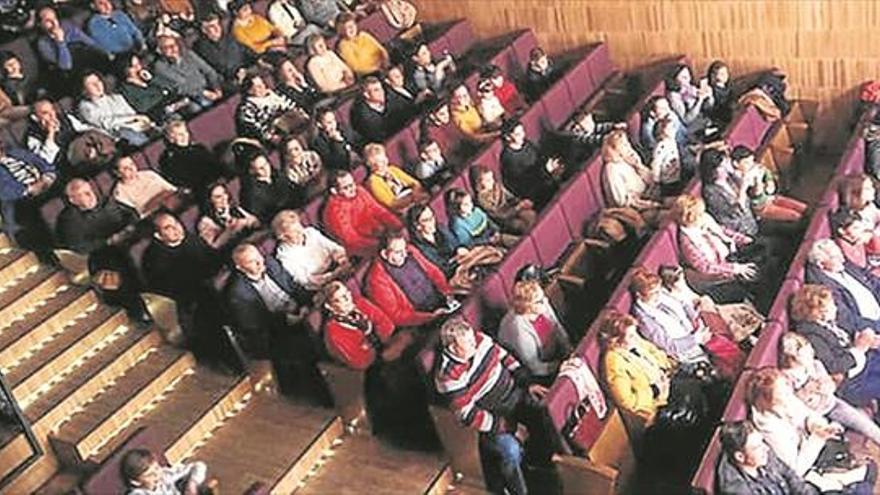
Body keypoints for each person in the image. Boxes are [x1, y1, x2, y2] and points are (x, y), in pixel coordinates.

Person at [434, 317, 564, 495]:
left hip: (514, 393)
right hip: (492, 415)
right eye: (468, 344)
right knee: (510, 451)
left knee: (545, 411)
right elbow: (468, 416)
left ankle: (550, 472)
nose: (474, 344)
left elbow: (505, 358)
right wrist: (511, 428)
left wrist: (527, 383)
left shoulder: (480, 340)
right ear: (453, 348)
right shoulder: (448, 377)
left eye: (473, 339)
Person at [746, 367, 875, 487]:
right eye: (782, 394)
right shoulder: (768, 428)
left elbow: (809, 415)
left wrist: (815, 425)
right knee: (869, 474)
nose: (788, 394)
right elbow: (796, 468)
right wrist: (817, 438)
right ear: (768, 401)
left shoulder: (786, 398)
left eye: (787, 387)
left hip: (817, 445)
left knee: (869, 468)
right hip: (809, 466)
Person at [225, 243, 321, 396]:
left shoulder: (270, 262)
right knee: (303, 348)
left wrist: (305, 303)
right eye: (251, 261)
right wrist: (286, 319)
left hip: (298, 309)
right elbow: (254, 324)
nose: (259, 263)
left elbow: (292, 286)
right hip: (276, 328)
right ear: (240, 267)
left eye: (259, 257)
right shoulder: (238, 294)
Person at [56, 179, 150, 323]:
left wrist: (130, 227)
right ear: (73, 200)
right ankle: (136, 312)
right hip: (102, 254)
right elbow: (78, 247)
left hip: (127, 241)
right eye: (83, 194)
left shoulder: (107, 201)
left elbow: (131, 213)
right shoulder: (68, 219)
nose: (90, 196)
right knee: (117, 273)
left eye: (89, 191)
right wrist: (108, 241)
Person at [629, 267, 744, 379]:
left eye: (659, 290)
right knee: (718, 371)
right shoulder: (645, 320)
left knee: (729, 349)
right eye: (654, 293)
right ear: (639, 295)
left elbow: (684, 305)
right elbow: (670, 346)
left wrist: (696, 320)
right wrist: (696, 339)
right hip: (686, 353)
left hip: (696, 330)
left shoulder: (660, 294)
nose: (659, 295)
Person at [778, 332, 880, 445]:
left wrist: (821, 386)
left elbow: (830, 386)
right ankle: (839, 426)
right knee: (834, 431)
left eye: (809, 348)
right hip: (814, 416)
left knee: (867, 426)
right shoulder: (787, 378)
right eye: (804, 351)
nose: (810, 352)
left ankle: (842, 424)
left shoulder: (816, 364)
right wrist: (806, 390)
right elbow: (797, 404)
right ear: (793, 357)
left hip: (833, 404)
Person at [790, 284, 880, 408]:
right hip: (852, 383)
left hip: (865, 361)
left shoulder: (830, 321)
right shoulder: (811, 335)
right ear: (820, 312)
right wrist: (859, 348)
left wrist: (865, 336)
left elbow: (853, 327)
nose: (836, 307)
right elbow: (833, 367)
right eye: (832, 305)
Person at [142, 212, 222, 346]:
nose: (177, 229)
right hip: (188, 305)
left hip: (210, 288)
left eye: (176, 223)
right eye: (168, 227)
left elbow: (213, 260)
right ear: (158, 235)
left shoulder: (191, 239)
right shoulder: (154, 259)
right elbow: (172, 291)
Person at [673, 194, 758, 304]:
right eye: (699, 214)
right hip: (714, 278)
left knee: (764, 252)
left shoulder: (704, 220)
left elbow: (723, 231)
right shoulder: (687, 242)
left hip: (731, 257)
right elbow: (706, 267)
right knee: (754, 278)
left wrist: (743, 240)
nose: (703, 215)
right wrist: (734, 268)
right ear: (690, 218)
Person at [364, 230, 452, 327]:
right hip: (422, 319)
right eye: (398, 252)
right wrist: (431, 316)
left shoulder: (410, 251)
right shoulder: (376, 279)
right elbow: (397, 315)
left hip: (442, 298)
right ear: (384, 254)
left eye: (404, 249)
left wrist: (447, 293)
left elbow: (434, 272)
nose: (404, 254)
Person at [406, 203, 503, 292]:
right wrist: (457, 259)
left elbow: (455, 245)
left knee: (490, 255)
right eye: (427, 220)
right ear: (417, 226)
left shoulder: (440, 228)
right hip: (453, 273)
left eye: (432, 216)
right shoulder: (418, 248)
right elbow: (442, 268)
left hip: (463, 261)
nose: (433, 221)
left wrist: (460, 250)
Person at [499, 278, 572, 383]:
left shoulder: (541, 306)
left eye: (543, 296)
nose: (546, 301)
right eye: (540, 301)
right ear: (527, 306)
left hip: (556, 355)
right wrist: (561, 365)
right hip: (542, 371)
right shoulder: (518, 329)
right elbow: (535, 367)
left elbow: (557, 327)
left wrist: (568, 350)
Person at [716, 421, 818, 495]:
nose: (766, 448)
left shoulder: (763, 456)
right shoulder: (737, 490)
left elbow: (790, 476)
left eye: (762, 442)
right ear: (740, 457)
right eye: (757, 447)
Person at [322, 280, 404, 370]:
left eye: (347, 292)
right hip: (374, 367)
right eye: (341, 298)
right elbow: (361, 362)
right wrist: (374, 335)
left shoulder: (360, 302)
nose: (348, 298)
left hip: (387, 344)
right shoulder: (334, 332)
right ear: (330, 306)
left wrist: (369, 342)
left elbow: (388, 324)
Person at [805, 239, 880, 332]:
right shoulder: (824, 288)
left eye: (840, 254)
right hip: (870, 328)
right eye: (835, 257)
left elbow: (872, 280)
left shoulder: (844, 265)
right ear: (821, 264)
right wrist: (877, 326)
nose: (842, 259)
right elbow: (847, 320)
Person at [322, 169, 402, 256]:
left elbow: (378, 209)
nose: (353, 189)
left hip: (379, 235)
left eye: (352, 184)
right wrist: (382, 244)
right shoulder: (334, 210)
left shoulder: (359, 190)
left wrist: (397, 226)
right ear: (334, 191)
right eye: (346, 187)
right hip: (361, 250)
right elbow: (351, 239)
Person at [36, 6, 111, 95]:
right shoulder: (42, 43)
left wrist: (106, 53)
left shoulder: (67, 25)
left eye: (55, 18)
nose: (54, 22)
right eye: (48, 20)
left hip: (88, 62)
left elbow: (90, 43)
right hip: (72, 75)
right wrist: (60, 42)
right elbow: (66, 66)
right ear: (40, 24)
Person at [272, 209, 349, 290]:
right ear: (283, 237)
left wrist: (339, 255)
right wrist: (327, 277)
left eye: (300, 227)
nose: (301, 233)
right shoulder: (284, 254)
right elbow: (301, 278)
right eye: (295, 232)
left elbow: (331, 246)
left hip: (334, 265)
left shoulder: (311, 232)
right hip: (318, 282)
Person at [731, 145, 807, 224]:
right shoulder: (739, 180)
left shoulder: (754, 167)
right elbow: (756, 195)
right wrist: (758, 181)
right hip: (762, 207)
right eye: (747, 163)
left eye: (752, 161)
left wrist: (769, 181)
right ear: (736, 164)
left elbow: (766, 172)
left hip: (772, 198)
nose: (751, 165)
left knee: (804, 208)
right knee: (796, 216)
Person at [78, 71, 154, 146]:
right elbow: (106, 123)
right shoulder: (85, 106)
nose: (97, 85)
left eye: (98, 81)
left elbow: (132, 113)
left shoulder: (117, 98)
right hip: (117, 139)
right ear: (84, 90)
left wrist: (140, 120)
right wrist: (134, 118)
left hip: (136, 129)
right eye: (91, 84)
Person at [500, 119, 564, 208]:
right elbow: (524, 182)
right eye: (518, 134)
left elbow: (540, 156)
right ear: (508, 137)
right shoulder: (509, 158)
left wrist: (551, 164)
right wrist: (546, 170)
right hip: (534, 192)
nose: (522, 135)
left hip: (544, 178)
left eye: (522, 131)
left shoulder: (526, 143)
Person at [0, 141, 56, 243]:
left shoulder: (15, 152)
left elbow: (39, 161)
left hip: (47, 184)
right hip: (23, 199)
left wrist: (48, 176)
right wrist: (29, 189)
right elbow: (4, 192)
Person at [25, 99, 98, 175]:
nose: (52, 115)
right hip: (65, 168)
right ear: (35, 118)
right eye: (45, 113)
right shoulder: (33, 136)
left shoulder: (65, 118)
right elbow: (45, 160)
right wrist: (50, 134)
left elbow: (84, 128)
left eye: (52, 110)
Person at [118, 53, 196, 124]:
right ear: (126, 70)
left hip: (176, 102)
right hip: (161, 113)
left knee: (195, 106)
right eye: (134, 66)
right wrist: (162, 93)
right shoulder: (126, 89)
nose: (138, 68)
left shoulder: (148, 74)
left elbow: (172, 87)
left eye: (138, 64)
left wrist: (152, 79)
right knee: (178, 119)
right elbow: (142, 106)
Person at [700, 148, 760, 237]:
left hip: (753, 223)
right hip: (742, 233)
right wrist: (743, 187)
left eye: (725, 164)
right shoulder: (710, 191)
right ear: (711, 170)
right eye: (721, 167)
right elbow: (737, 211)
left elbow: (754, 195)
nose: (725, 169)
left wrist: (755, 179)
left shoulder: (729, 178)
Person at [154, 35, 224, 111]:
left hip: (209, 86)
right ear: (160, 51)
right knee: (206, 103)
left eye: (173, 45)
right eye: (167, 47)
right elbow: (182, 85)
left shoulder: (188, 55)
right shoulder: (160, 66)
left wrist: (216, 87)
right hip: (191, 95)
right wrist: (204, 93)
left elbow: (209, 71)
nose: (172, 48)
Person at [601, 128, 663, 214]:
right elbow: (622, 202)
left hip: (650, 196)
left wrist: (639, 166)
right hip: (637, 211)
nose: (629, 147)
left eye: (628, 143)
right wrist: (650, 204)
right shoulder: (612, 169)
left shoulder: (628, 159)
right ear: (616, 150)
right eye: (625, 145)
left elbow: (652, 179)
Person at [158, 120, 225, 198]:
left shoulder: (198, 148)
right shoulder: (168, 159)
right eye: (180, 135)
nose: (185, 136)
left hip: (217, 184)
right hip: (199, 192)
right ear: (171, 139)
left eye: (186, 132)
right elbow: (179, 182)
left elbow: (215, 165)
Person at [235, 72, 306, 144]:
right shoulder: (246, 109)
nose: (264, 87)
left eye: (263, 84)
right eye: (259, 86)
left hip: (294, 122)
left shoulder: (275, 94)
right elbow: (255, 131)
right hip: (274, 134)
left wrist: (275, 98)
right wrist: (272, 136)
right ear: (250, 91)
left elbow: (292, 106)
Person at [194, 12, 255, 89]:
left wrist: (246, 69)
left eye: (218, 24)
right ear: (204, 30)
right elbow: (211, 72)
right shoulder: (201, 48)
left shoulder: (230, 37)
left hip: (247, 71)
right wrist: (235, 78)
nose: (217, 28)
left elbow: (248, 52)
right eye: (212, 26)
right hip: (230, 82)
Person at [470, 164, 536, 235]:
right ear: (479, 184)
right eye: (488, 180)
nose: (492, 182)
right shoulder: (481, 201)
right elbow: (499, 216)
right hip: (505, 221)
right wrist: (518, 208)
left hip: (512, 209)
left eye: (492, 178)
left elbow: (510, 197)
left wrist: (522, 202)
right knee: (520, 225)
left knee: (530, 215)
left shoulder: (497, 186)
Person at [350, 76, 414, 144]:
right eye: (376, 90)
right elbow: (380, 135)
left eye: (381, 89)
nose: (381, 93)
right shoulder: (362, 115)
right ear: (367, 95)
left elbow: (407, 109)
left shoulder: (389, 98)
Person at [197, 180, 260, 250]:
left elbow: (256, 223)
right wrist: (233, 228)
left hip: (250, 243)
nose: (224, 198)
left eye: (225, 193)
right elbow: (214, 246)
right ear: (210, 200)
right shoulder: (206, 221)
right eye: (218, 197)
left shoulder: (235, 208)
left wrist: (249, 222)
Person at [446, 187, 517, 249]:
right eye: (466, 204)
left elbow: (489, 221)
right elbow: (468, 243)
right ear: (456, 207)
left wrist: (496, 230)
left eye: (470, 202)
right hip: (484, 245)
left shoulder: (477, 211)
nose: (470, 205)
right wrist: (488, 240)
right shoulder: (458, 224)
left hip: (495, 236)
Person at [363, 142, 426, 212]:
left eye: (385, 159)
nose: (385, 162)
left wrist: (416, 193)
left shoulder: (392, 169)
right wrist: (412, 198)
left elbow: (415, 183)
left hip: (413, 197)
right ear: (372, 165)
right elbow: (391, 204)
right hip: (402, 209)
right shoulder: (374, 182)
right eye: (381, 162)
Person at [121, 448, 209, 495]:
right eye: (150, 475)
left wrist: (192, 484)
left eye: (157, 468)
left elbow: (198, 466)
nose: (157, 475)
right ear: (136, 482)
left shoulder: (166, 475)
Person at [242, 153, 300, 223]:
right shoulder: (252, 192)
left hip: (297, 210)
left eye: (266, 164)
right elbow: (264, 217)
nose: (266, 169)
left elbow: (294, 190)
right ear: (252, 171)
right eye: (261, 168)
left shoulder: (277, 175)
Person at [111, 155, 177, 217]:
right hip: (156, 215)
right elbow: (140, 214)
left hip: (173, 202)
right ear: (118, 173)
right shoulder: (119, 194)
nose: (132, 168)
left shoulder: (149, 174)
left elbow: (172, 189)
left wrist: (157, 199)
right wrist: (160, 197)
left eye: (132, 164)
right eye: (126, 168)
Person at [335, 12, 388, 76]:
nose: (351, 29)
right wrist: (377, 68)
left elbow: (381, 49)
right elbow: (356, 67)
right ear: (341, 31)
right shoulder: (343, 45)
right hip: (371, 73)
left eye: (352, 25)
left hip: (384, 65)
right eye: (348, 27)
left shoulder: (363, 35)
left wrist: (386, 62)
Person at [665, 63, 714, 133]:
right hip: (692, 129)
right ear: (674, 79)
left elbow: (708, 108)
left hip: (704, 120)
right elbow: (686, 120)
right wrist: (700, 100)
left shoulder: (690, 88)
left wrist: (710, 97)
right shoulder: (673, 96)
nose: (688, 79)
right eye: (684, 77)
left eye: (689, 76)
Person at [831, 209, 879, 276]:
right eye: (856, 228)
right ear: (842, 231)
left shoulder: (858, 240)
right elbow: (861, 265)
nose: (860, 231)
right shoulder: (842, 247)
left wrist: (872, 238)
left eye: (861, 227)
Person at [310, 107, 358, 171]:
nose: (333, 124)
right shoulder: (319, 142)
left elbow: (355, 140)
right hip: (345, 168)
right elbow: (336, 161)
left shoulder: (342, 128)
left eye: (334, 120)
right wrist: (337, 142)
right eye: (329, 122)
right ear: (320, 125)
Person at [649, 117, 685, 196]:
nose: (673, 130)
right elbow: (656, 163)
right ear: (662, 131)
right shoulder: (661, 146)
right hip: (666, 179)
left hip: (676, 175)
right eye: (670, 128)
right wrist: (656, 180)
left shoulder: (673, 141)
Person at [704, 60, 734, 126]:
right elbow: (708, 110)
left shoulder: (731, 89)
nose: (718, 77)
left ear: (727, 76)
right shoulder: (708, 90)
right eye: (714, 74)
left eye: (722, 74)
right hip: (715, 120)